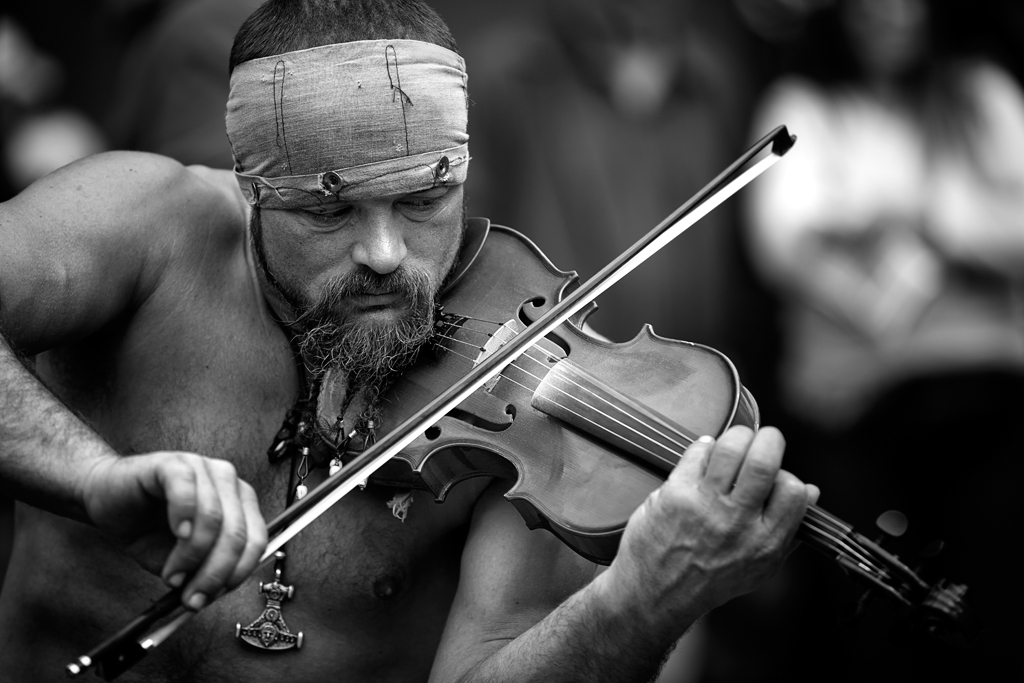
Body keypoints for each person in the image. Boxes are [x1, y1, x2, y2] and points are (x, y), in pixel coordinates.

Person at [0, 1, 816, 681]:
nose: (387, 255)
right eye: (330, 209)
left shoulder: (527, 393)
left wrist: (643, 597)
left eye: (426, 200)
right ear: (254, 188)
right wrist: (93, 478)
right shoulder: (146, 223)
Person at [744, 0, 1024, 679]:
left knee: (995, 594)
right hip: (858, 411)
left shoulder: (980, 92)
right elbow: (784, 245)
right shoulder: (805, 103)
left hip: (985, 402)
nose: (890, 16)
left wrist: (914, 228)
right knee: (872, 611)